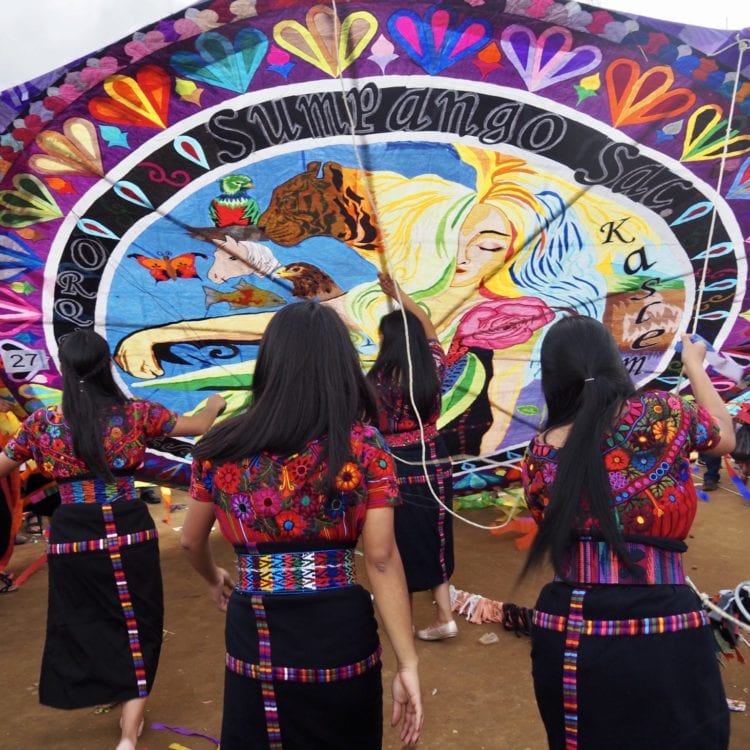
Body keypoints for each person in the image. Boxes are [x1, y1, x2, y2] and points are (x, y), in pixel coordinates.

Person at [181, 301, 422, 750]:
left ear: (270, 361)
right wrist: (407, 663)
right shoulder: (363, 445)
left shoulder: (220, 445)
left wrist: (214, 577)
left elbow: (191, 540)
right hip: (339, 626)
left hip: (256, 622)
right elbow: (382, 558)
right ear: (339, 364)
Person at [0, 330, 226, 750]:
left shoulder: (42, 423)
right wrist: (214, 403)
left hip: (73, 535)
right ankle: (127, 734)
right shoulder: (135, 413)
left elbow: (3, 465)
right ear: (106, 366)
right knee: (138, 622)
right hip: (128, 528)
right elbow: (196, 426)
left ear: (65, 371)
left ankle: (113, 705)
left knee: (87, 619)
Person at [521, 316, 735, 750]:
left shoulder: (539, 453)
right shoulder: (663, 413)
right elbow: (724, 436)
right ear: (615, 363)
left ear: (552, 377)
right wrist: (694, 365)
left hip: (568, 628)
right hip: (660, 617)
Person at [367, 272, 456, 641]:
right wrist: (399, 294)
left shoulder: (374, 383)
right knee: (437, 537)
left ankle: (399, 614)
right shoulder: (433, 367)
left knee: (397, 541)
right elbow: (429, 326)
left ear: (386, 342)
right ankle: (445, 615)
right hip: (435, 459)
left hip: (395, 465)